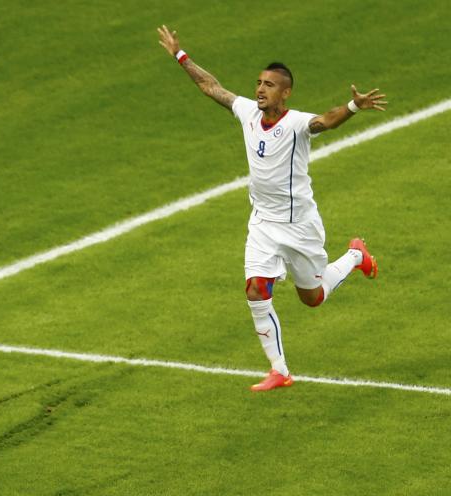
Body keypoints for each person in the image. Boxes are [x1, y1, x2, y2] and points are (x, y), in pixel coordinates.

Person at [156, 26, 386, 391]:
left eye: (269, 84)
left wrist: (354, 105)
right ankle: (280, 370)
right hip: (263, 223)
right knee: (255, 289)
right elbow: (211, 87)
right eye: (259, 83)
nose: (260, 89)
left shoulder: (296, 124)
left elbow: (325, 121)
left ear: (286, 92)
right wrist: (181, 56)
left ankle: (356, 257)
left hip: (299, 227)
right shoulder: (247, 112)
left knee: (313, 298)